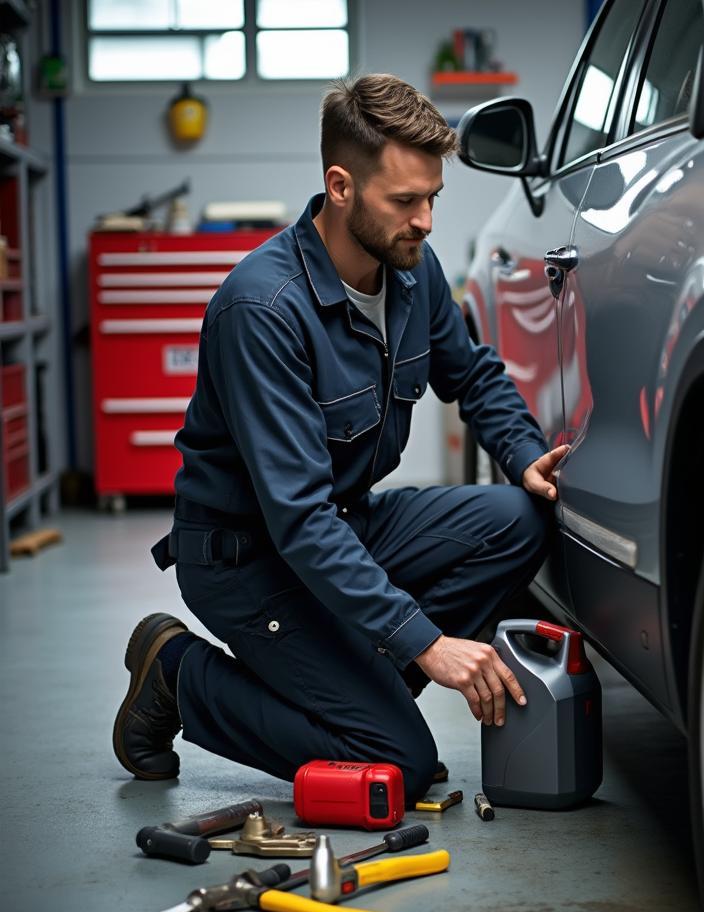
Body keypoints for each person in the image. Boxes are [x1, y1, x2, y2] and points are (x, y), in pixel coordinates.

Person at [112, 74, 569, 803]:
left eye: (432, 199)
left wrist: (524, 457)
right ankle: (178, 676)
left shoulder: (410, 271)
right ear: (341, 185)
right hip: (247, 557)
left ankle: (356, 702)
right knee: (400, 766)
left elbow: (474, 374)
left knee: (516, 519)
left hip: (342, 524)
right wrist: (426, 642)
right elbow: (297, 518)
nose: (425, 221)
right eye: (405, 201)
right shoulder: (262, 311)